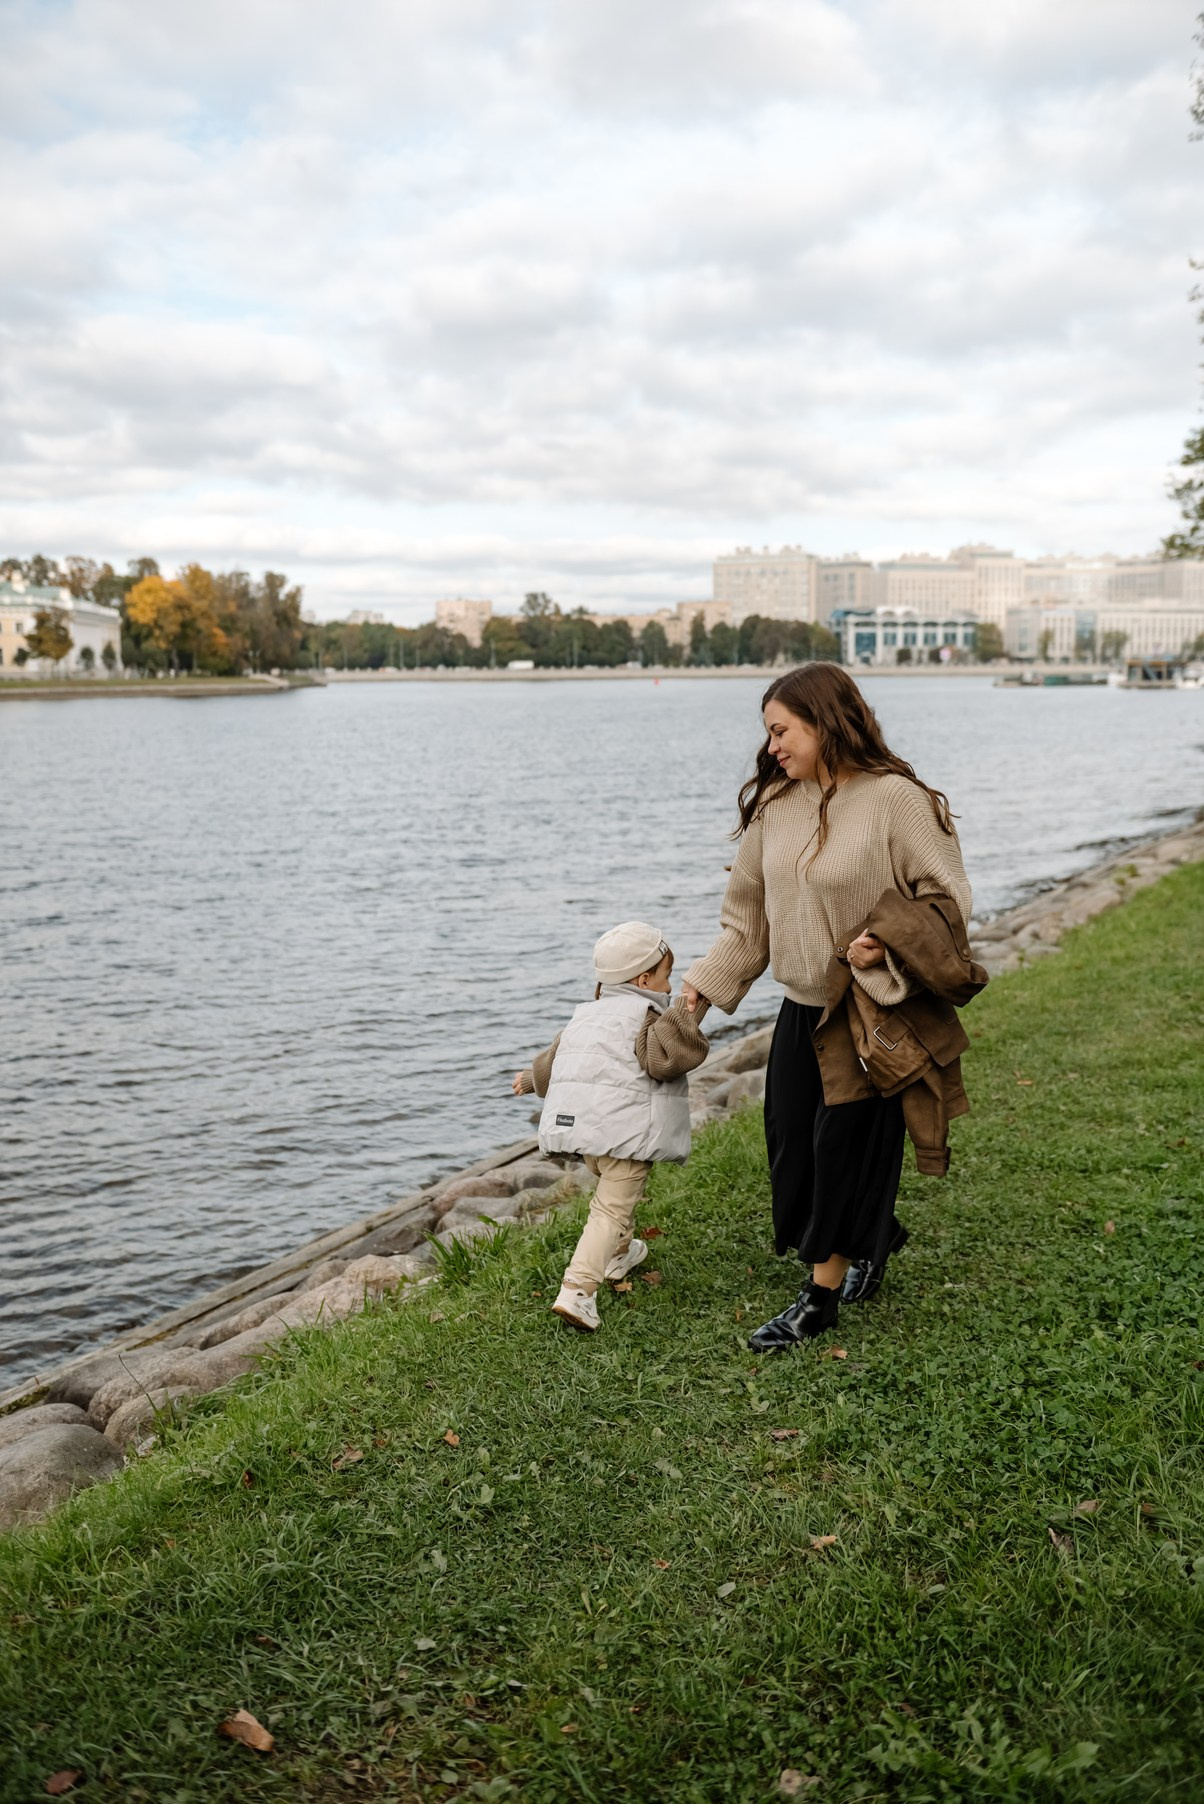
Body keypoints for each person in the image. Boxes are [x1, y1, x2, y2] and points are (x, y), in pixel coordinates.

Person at [679, 663, 973, 1350]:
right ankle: (876, 1233)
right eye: (768, 733)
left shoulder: (897, 800)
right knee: (792, 1151)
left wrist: (888, 945)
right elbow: (748, 920)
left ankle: (819, 1299)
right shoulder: (777, 807)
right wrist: (702, 988)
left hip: (870, 1012)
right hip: (800, 1007)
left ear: (824, 721)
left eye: (782, 729)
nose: (773, 745)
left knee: (838, 1149)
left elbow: (950, 901)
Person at [513, 921, 709, 1332]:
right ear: (644, 979)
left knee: (617, 1202)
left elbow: (555, 1057)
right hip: (626, 1138)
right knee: (609, 1210)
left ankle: (620, 1254)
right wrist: (690, 1014)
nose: (669, 983)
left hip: (589, 1137)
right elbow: (668, 1060)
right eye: (666, 975)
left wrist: (532, 1079)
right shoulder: (648, 1017)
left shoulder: (585, 1016)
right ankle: (577, 1291)